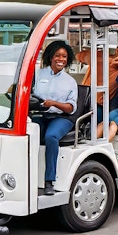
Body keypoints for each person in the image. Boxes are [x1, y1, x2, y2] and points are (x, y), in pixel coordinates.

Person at [31, 40, 78, 195]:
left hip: (62, 118)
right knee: (25, 133)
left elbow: (71, 108)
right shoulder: (38, 74)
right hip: (40, 114)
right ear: (51, 57)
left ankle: (49, 180)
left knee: (51, 137)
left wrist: (54, 103)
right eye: (57, 55)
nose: (61, 59)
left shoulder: (70, 82)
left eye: (64, 56)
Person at [75, 40, 118, 119]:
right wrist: (109, 61)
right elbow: (79, 55)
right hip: (82, 100)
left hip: (100, 107)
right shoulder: (101, 57)